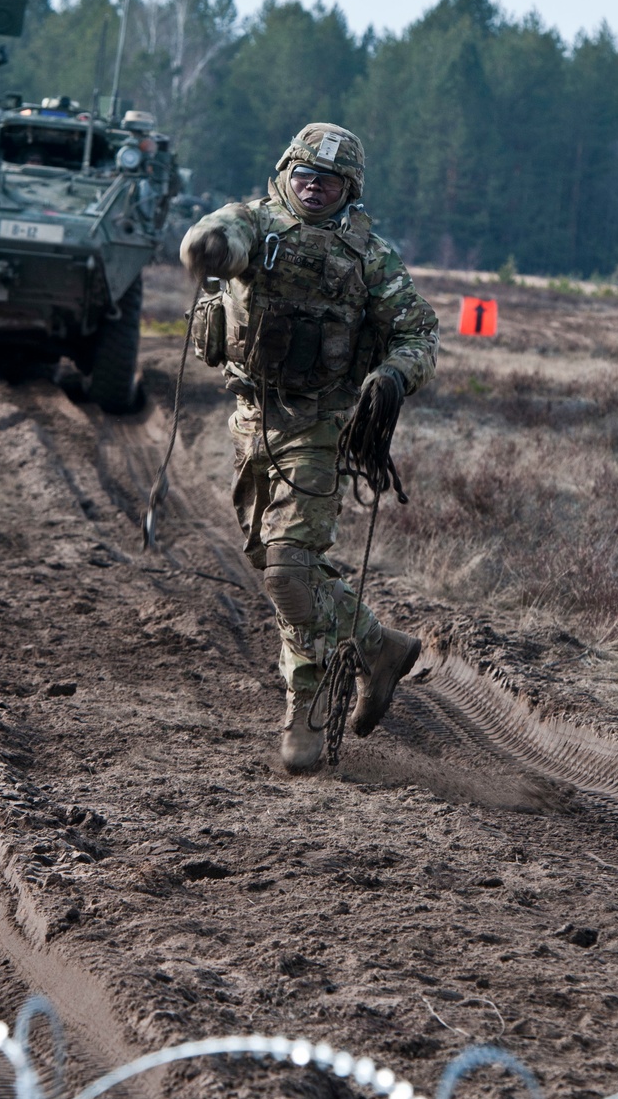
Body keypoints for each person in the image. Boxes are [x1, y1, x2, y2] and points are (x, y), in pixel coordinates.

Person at [180, 122, 439, 772]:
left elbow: (418, 335)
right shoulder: (253, 224)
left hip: (321, 427)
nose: (313, 186)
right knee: (279, 566)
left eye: (328, 180)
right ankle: (377, 647)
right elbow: (220, 237)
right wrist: (207, 244)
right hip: (251, 422)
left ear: (348, 188)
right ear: (285, 173)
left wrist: (392, 376)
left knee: (292, 572)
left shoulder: (370, 257)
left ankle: (305, 710)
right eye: (303, 174)